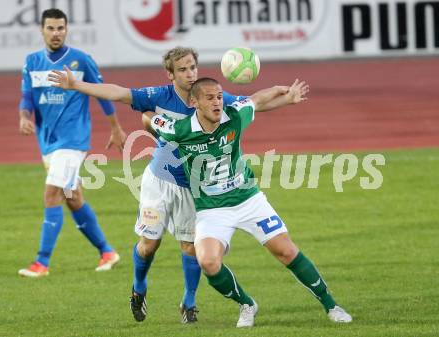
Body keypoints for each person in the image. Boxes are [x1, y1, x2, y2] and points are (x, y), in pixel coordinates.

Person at [48, 47, 244, 323]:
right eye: (183, 69)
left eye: (193, 67)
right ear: (170, 74)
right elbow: (117, 92)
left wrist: (285, 96)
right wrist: (77, 84)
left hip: (193, 187)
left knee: (190, 247)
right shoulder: (159, 96)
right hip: (159, 182)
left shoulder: (211, 96)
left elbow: (254, 103)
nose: (190, 74)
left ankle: (189, 302)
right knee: (148, 244)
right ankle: (139, 286)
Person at [143, 77, 353, 328]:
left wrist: (281, 92)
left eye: (219, 96)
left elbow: (256, 99)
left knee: (285, 250)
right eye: (209, 98)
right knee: (208, 262)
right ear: (194, 102)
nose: (217, 102)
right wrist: (150, 124)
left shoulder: (234, 116)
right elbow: (148, 117)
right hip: (212, 209)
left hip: (248, 199)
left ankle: (332, 305)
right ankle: (246, 304)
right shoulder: (180, 130)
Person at [18, 8, 126, 278]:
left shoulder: (80, 61)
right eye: (51, 28)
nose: (56, 33)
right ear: (42, 30)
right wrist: (23, 117)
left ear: (66, 30)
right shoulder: (32, 61)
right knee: (73, 197)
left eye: (61, 28)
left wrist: (116, 127)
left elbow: (102, 94)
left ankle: (41, 263)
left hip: (72, 140)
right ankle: (107, 251)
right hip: (48, 143)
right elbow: (27, 97)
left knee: (51, 194)